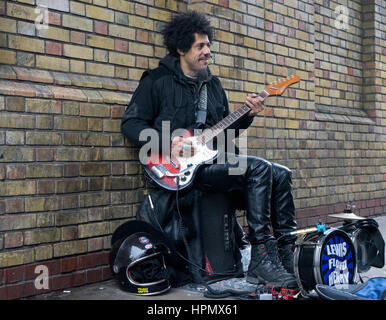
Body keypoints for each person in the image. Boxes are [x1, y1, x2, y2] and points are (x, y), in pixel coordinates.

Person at [121, 11, 298, 289]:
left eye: (208, 45)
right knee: (260, 167)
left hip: (212, 165)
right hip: (177, 173)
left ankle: (286, 252)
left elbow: (225, 137)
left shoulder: (213, 86)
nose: (208, 51)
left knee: (281, 173)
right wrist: (169, 142)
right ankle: (260, 259)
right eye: (200, 46)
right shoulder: (156, 81)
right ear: (181, 49)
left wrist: (247, 115)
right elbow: (131, 124)